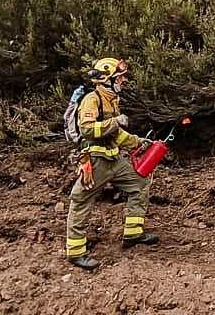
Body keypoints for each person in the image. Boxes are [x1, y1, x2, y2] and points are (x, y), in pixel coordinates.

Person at [64, 57, 158, 270]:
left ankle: (133, 234)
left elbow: (116, 135)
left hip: (115, 160)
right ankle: (76, 252)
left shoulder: (111, 99)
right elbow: (88, 129)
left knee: (140, 184)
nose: (123, 80)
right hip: (96, 162)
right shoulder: (92, 99)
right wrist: (115, 121)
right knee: (81, 201)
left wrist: (138, 142)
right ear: (107, 78)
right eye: (120, 76)